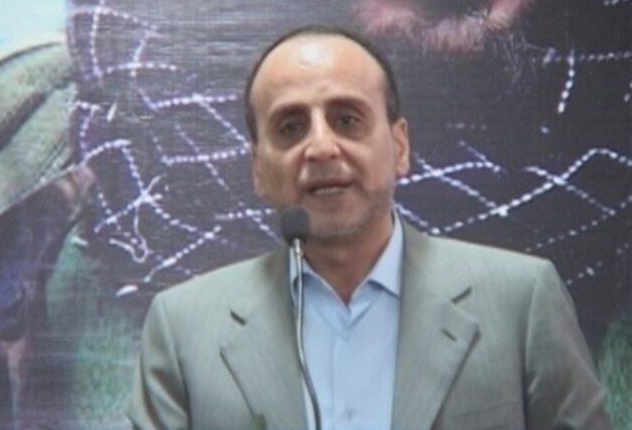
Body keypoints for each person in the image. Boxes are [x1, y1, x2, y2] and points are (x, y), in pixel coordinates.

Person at [127, 25, 610, 430]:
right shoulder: (183, 326)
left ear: (399, 146)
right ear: (258, 168)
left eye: (347, 119)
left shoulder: (521, 300)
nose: (321, 148)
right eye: (291, 128)